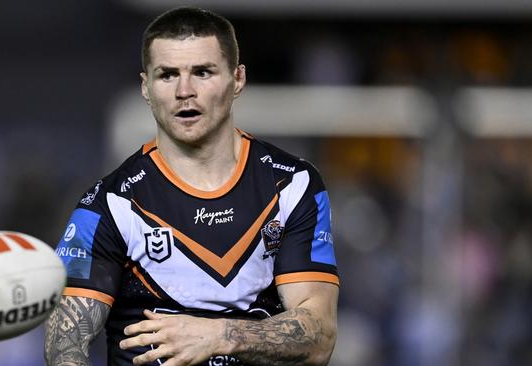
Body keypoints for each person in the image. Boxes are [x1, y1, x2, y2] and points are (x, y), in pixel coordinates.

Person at [44, 6, 339, 366]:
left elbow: (319, 336)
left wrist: (216, 335)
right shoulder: (108, 204)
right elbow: (65, 340)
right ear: (146, 88)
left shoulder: (291, 185)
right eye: (167, 75)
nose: (185, 91)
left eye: (202, 72)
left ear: (238, 79)